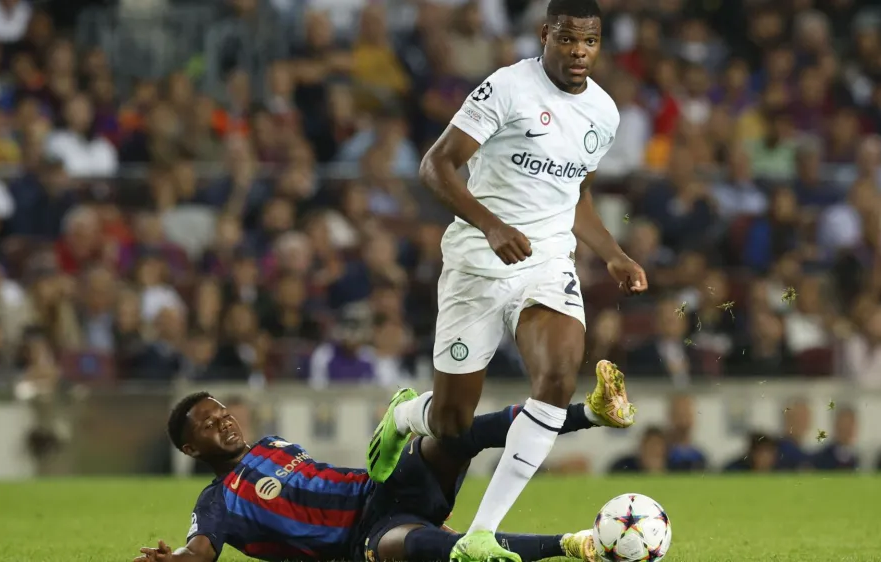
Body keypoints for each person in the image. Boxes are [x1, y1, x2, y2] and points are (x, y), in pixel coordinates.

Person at [367, 1, 647, 560]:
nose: (578, 52)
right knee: (451, 425)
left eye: (589, 42)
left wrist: (613, 253)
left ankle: (481, 532)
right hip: (478, 258)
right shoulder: (507, 88)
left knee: (558, 373)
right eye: (568, 39)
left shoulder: (604, 113)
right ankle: (403, 414)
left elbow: (576, 195)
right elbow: (435, 165)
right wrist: (491, 225)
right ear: (546, 34)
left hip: (547, 262)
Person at [133, 361, 633, 562]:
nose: (222, 422)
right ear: (191, 449)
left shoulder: (272, 444)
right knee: (458, 552)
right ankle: (576, 545)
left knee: (458, 433)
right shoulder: (219, 499)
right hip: (365, 540)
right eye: (206, 424)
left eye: (220, 412)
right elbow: (201, 550)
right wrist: (174, 558)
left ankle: (593, 411)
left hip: (385, 485)